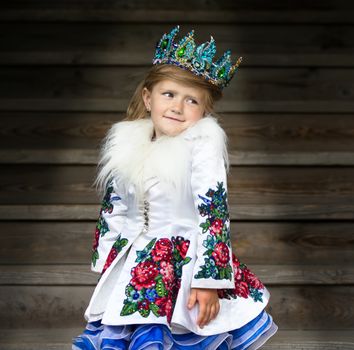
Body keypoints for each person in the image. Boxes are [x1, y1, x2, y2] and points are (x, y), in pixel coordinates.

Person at [72, 25, 278, 350]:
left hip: (182, 266)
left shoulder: (202, 146)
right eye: (168, 94)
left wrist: (209, 281)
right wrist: (108, 262)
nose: (177, 107)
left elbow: (214, 215)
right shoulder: (128, 146)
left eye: (191, 100)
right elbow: (116, 208)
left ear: (204, 111)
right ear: (147, 97)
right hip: (136, 268)